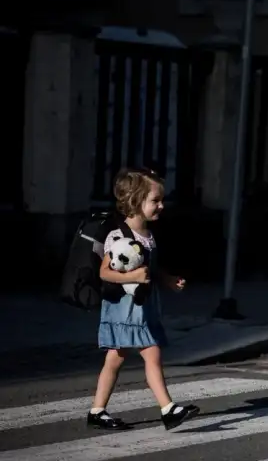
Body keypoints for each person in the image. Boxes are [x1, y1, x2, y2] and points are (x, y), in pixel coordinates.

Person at [88, 167, 200, 431]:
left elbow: (150, 267)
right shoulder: (119, 236)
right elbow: (105, 272)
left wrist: (168, 279)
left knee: (115, 359)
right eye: (155, 200)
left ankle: (97, 410)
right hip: (124, 310)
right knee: (152, 353)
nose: (162, 205)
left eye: (162, 200)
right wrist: (135, 277)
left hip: (142, 309)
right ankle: (168, 409)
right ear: (135, 202)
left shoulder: (146, 236)